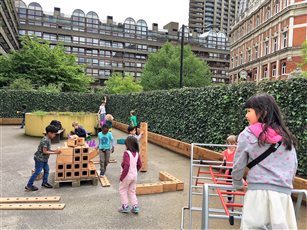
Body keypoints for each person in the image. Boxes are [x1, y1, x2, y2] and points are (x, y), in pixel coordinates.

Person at [232, 93, 298, 229]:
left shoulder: (247, 134)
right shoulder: (286, 137)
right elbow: (293, 165)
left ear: (262, 112)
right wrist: (285, 183)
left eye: (249, 111)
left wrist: (238, 183)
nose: (246, 115)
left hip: (257, 193)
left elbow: (238, 164)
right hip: (282, 196)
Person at [25, 125, 61, 191]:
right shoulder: (45, 140)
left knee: (47, 170)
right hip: (39, 159)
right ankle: (29, 185)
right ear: (49, 133)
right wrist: (55, 153)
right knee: (37, 172)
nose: (54, 135)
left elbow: (48, 149)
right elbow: (45, 151)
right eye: (54, 134)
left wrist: (54, 151)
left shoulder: (48, 139)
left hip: (44, 159)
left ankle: (44, 183)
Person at [119, 136, 142, 213]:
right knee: (132, 191)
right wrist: (135, 170)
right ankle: (135, 207)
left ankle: (125, 206)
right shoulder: (137, 153)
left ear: (128, 144)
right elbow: (140, 164)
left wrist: (122, 176)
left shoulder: (127, 153)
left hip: (127, 175)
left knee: (122, 189)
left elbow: (127, 165)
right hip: (134, 175)